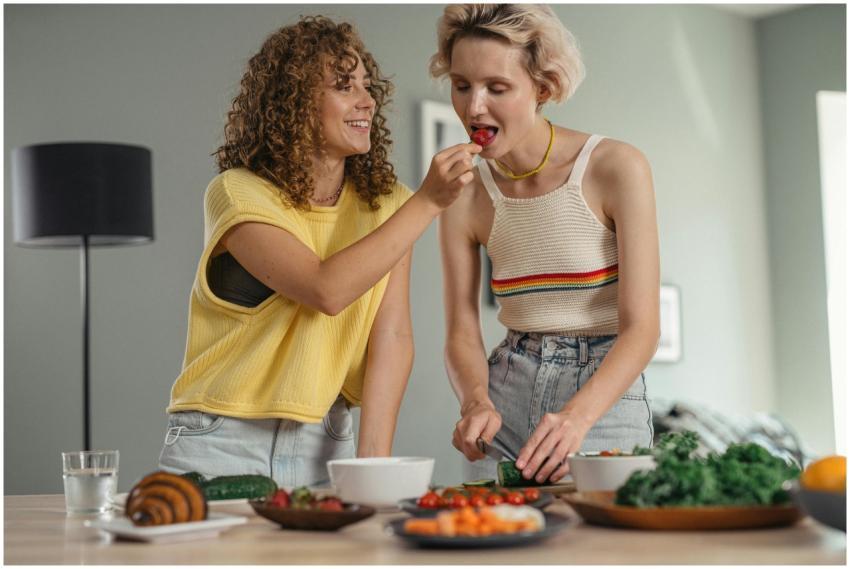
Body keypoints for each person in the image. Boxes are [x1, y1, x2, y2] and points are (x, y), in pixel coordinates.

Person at [158, 15, 481, 487]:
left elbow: (391, 337)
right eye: (344, 86)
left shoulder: (387, 203)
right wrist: (428, 202)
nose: (367, 101)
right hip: (222, 440)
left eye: (367, 87)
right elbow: (324, 289)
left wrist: (373, 464)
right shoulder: (238, 193)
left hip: (329, 442)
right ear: (295, 101)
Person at [430, 4, 660, 484]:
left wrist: (577, 417)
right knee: (496, 548)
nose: (474, 107)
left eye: (497, 88)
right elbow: (461, 331)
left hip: (603, 399)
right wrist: (476, 400)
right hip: (506, 389)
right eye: (461, 85)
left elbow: (641, 329)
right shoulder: (462, 191)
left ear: (543, 88)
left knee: (604, 550)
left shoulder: (615, 166)